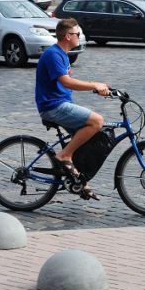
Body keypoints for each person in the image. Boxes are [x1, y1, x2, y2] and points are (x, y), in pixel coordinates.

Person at [35, 18, 109, 200]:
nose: (80, 36)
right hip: (53, 106)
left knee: (90, 139)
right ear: (68, 36)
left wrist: (102, 89)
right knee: (97, 121)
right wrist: (94, 85)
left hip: (61, 104)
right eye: (78, 34)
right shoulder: (54, 54)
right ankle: (64, 155)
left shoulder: (62, 54)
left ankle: (81, 181)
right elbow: (66, 82)